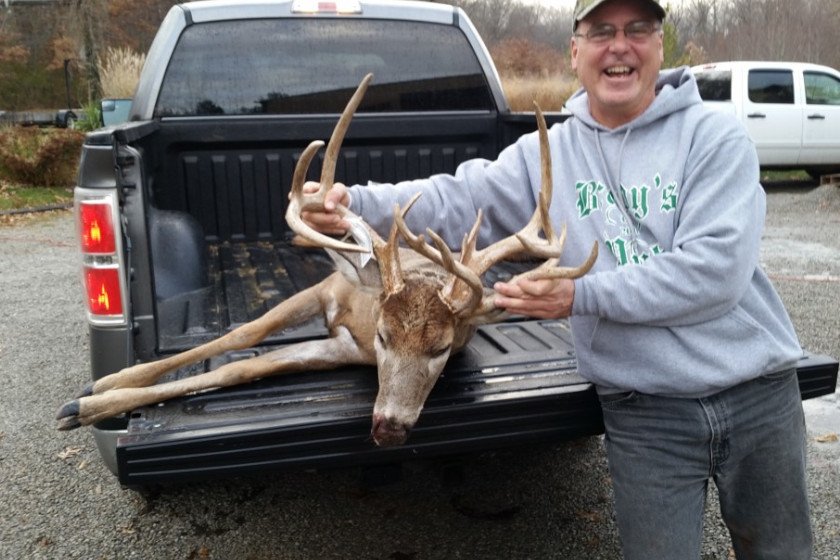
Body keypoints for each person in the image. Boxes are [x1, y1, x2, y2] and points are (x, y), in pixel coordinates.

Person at [303, 0, 812, 557]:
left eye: (637, 29)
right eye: (600, 32)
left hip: (756, 396)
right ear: (576, 50)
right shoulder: (549, 153)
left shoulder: (715, 137)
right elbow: (460, 196)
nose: (619, 45)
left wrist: (580, 295)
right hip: (645, 412)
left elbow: (716, 272)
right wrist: (357, 202)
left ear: (659, 45)